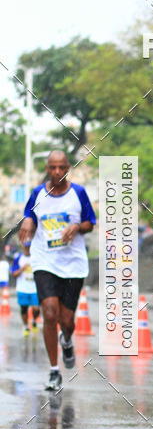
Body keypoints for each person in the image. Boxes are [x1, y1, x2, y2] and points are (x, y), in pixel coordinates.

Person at [19, 150, 96, 391]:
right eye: (52, 168)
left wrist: (76, 227)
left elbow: (90, 222)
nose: (57, 172)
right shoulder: (37, 193)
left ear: (68, 168)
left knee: (67, 320)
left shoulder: (79, 193)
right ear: (47, 168)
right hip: (45, 261)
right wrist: (28, 221)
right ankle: (54, 371)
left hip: (73, 264)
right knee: (50, 313)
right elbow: (29, 215)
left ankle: (67, 340)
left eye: (62, 168)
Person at [10, 240, 41, 335]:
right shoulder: (18, 258)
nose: (28, 249)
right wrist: (22, 269)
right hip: (22, 288)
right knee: (24, 309)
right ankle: (26, 326)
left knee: (36, 309)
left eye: (30, 247)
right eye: (26, 247)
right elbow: (13, 274)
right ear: (23, 247)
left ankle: (34, 321)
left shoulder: (37, 258)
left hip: (35, 288)